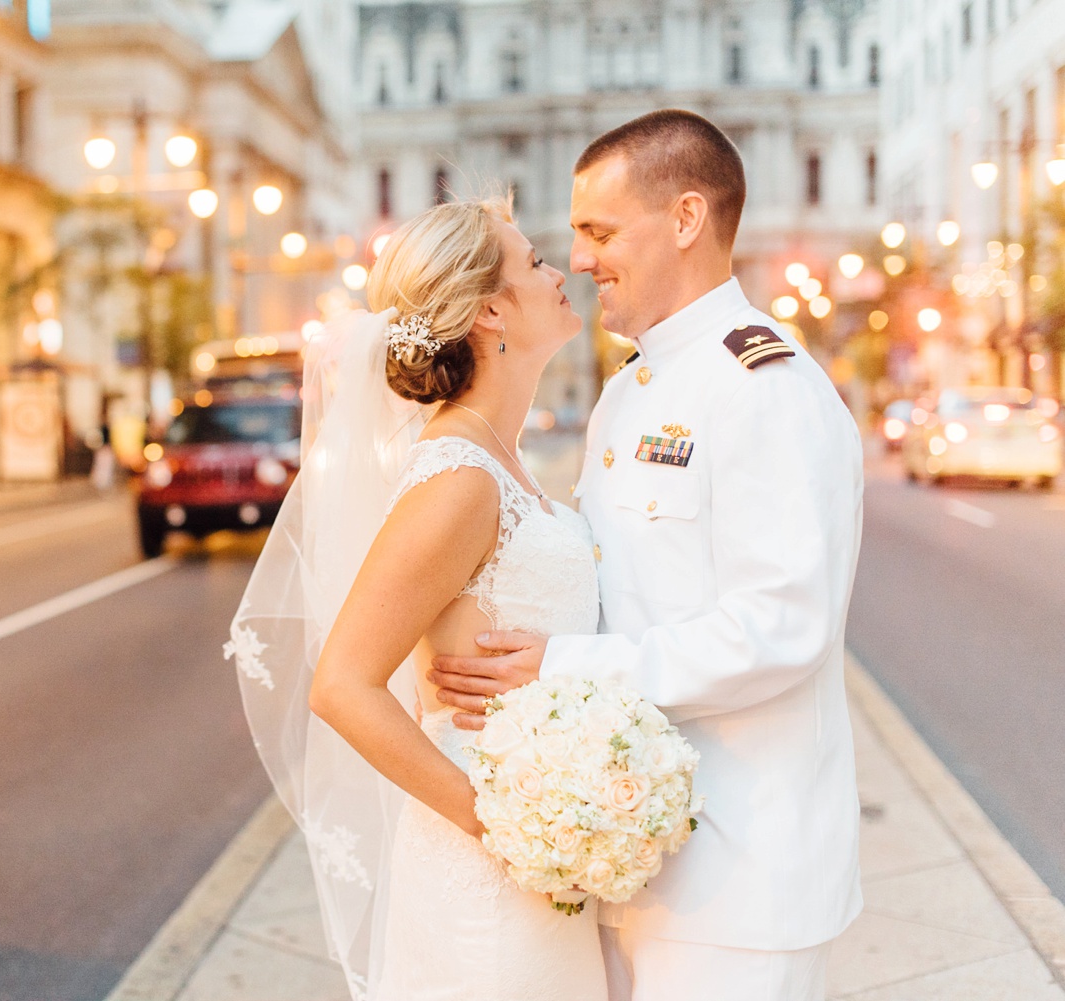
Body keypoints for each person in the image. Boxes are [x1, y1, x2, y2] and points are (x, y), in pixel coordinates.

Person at [429, 109, 865, 1001]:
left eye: (598, 231)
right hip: (627, 861)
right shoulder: (628, 393)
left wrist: (560, 668)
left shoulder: (764, 388)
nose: (580, 259)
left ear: (686, 219)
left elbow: (782, 626)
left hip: (742, 879)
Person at [227, 197, 608, 999]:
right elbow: (341, 684)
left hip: (541, 839)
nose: (561, 270)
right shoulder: (460, 478)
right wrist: (496, 821)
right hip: (490, 858)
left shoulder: (499, 457)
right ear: (491, 309)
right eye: (535, 262)